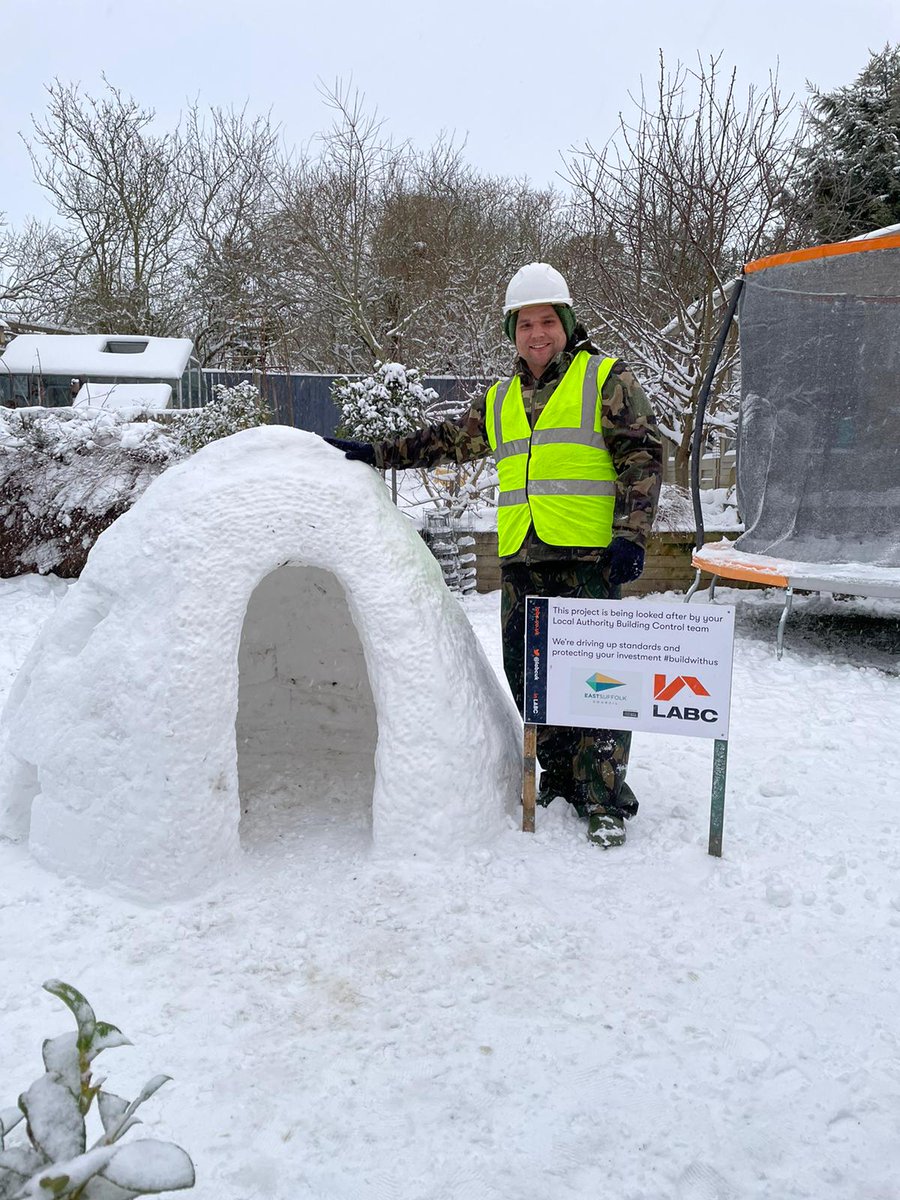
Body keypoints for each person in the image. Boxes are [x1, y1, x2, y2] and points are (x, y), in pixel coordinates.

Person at [326, 263, 662, 848]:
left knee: (600, 681)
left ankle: (604, 796)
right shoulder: (501, 397)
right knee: (531, 676)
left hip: (588, 560)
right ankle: (561, 777)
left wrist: (632, 534)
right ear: (512, 332)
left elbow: (642, 455)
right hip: (522, 559)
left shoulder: (605, 379)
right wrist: (376, 452)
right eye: (525, 324)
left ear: (566, 323)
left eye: (547, 321)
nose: (537, 334)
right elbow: (444, 441)